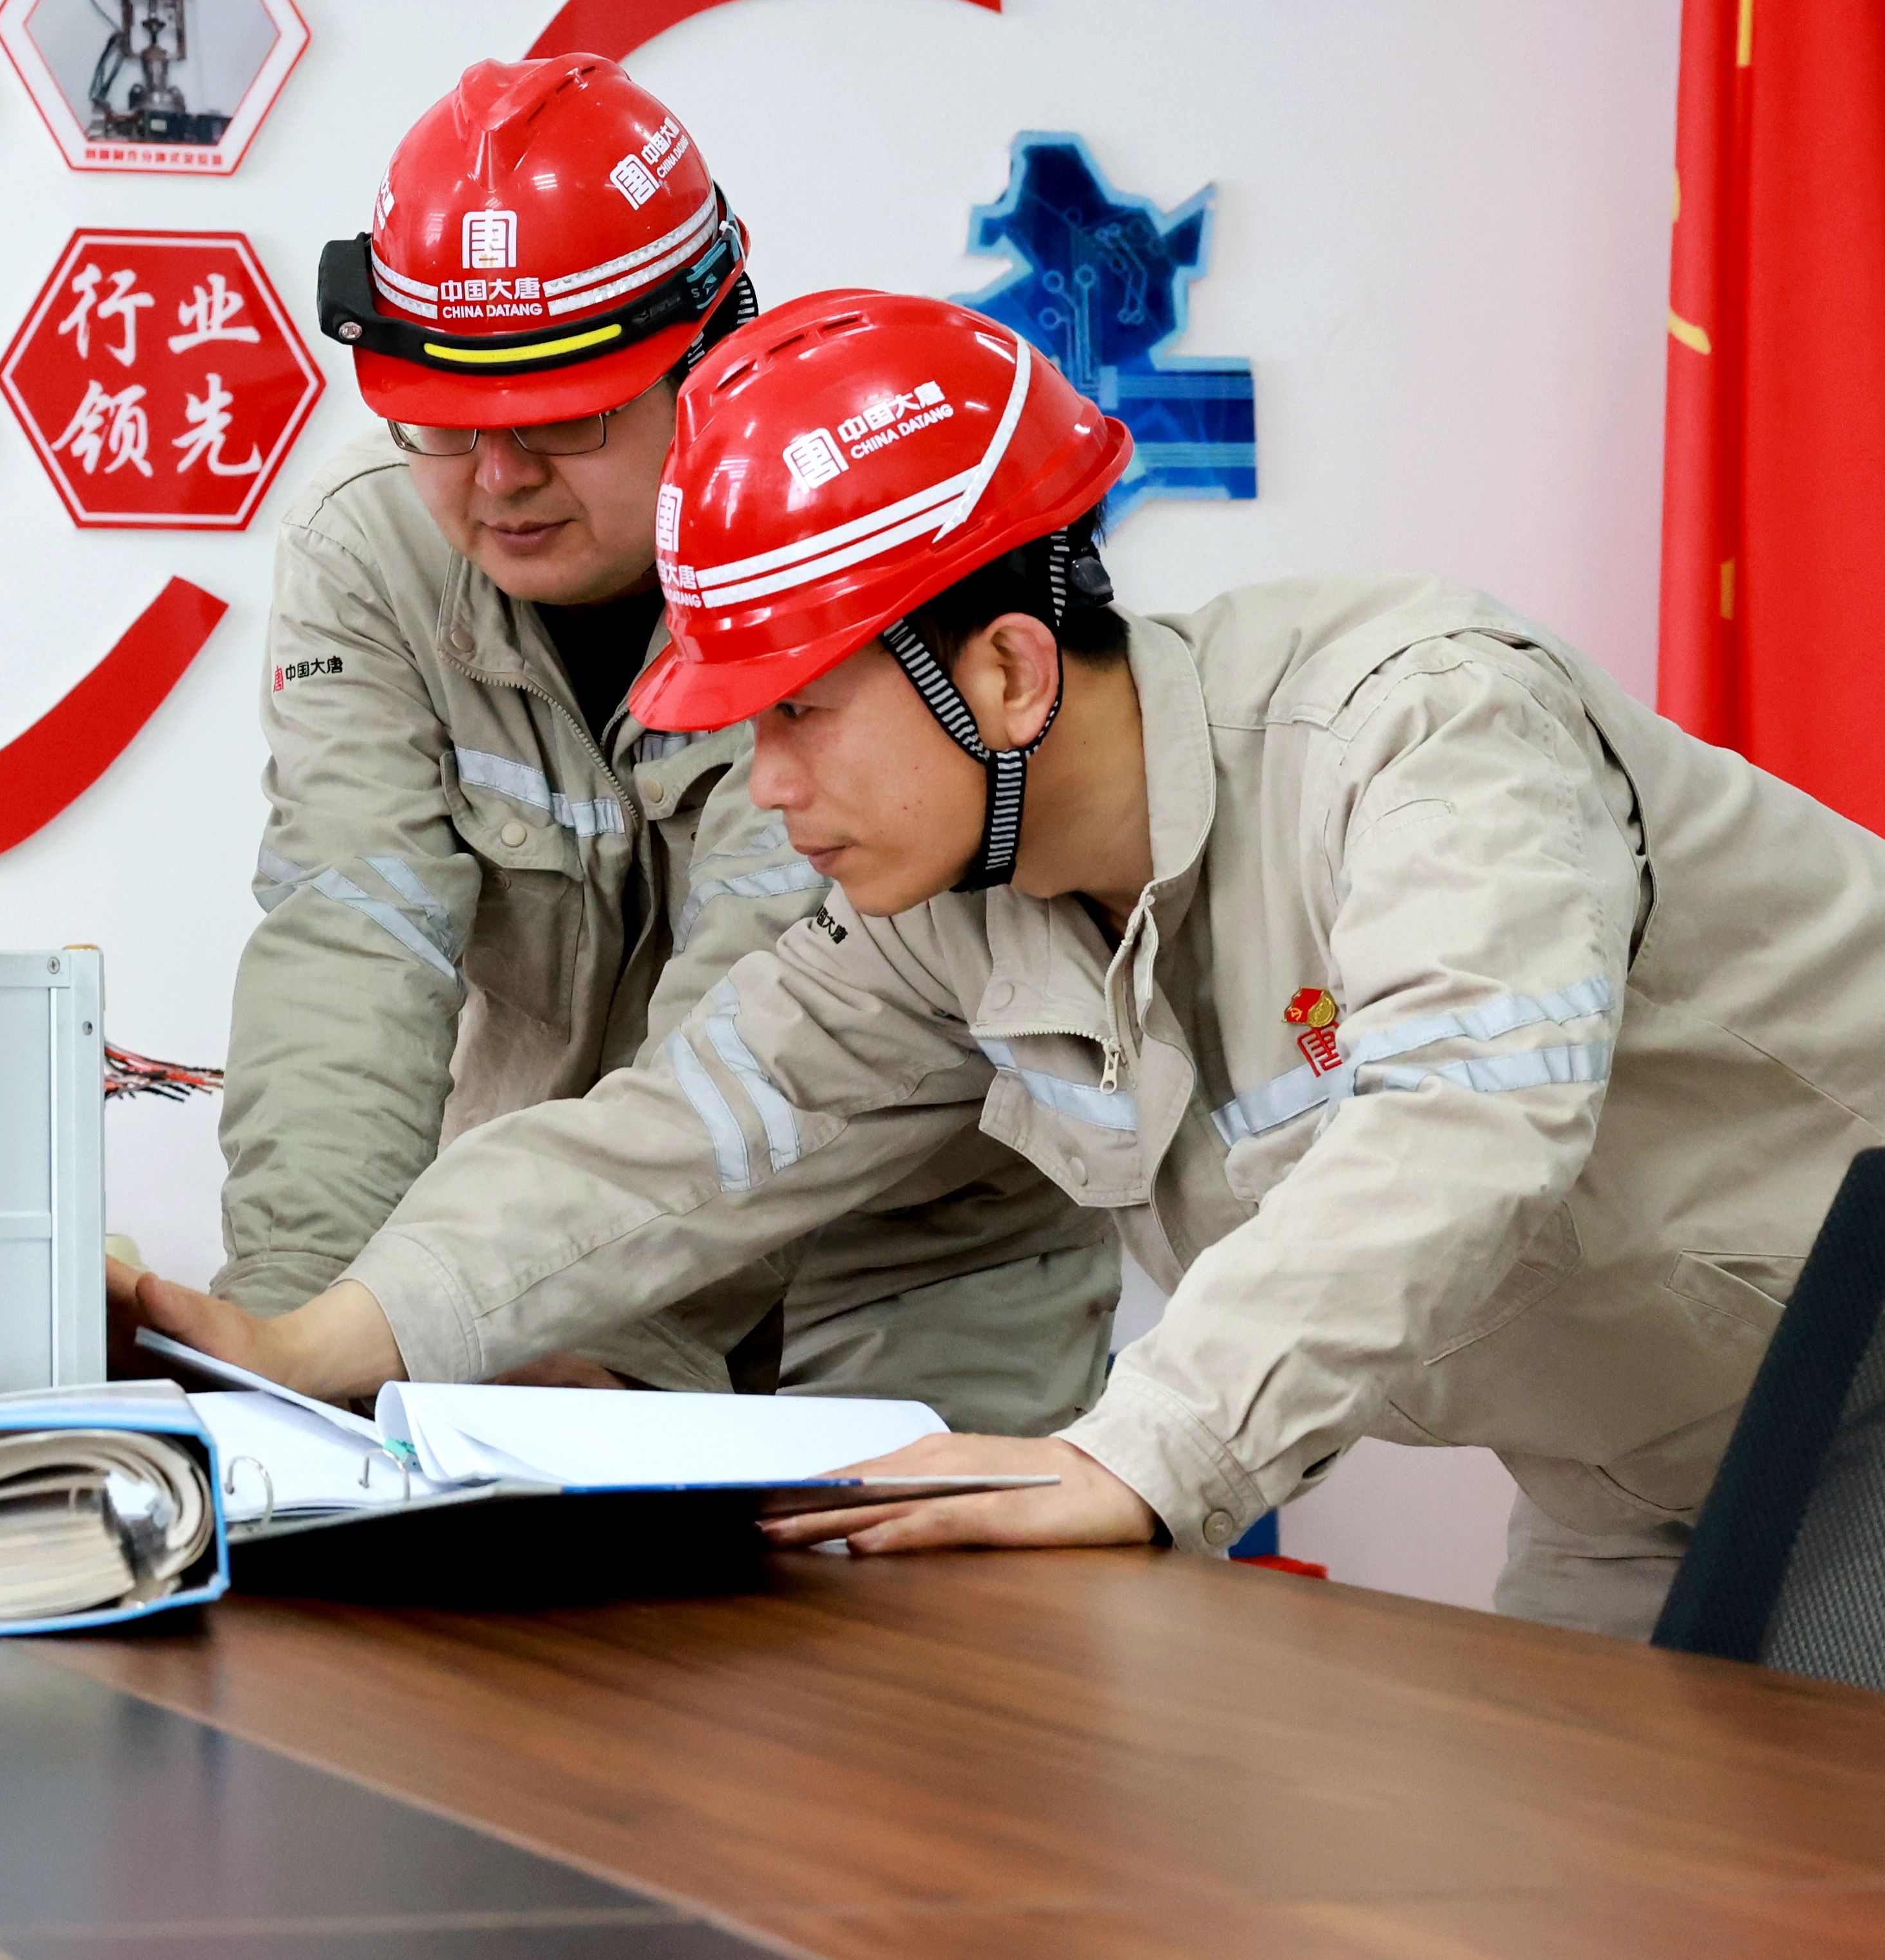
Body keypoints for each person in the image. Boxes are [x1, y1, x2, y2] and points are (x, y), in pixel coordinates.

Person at [124, 286, 1885, 1636]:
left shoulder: (1416, 731)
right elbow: (680, 1140)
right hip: (1631, 1464)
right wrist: (313, 1336)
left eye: (800, 714)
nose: (767, 786)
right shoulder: (952, 906)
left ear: (1009, 672)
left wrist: (1141, 1450)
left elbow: (1461, 1126)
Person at [238, 60, 1108, 1428]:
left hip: (908, 1248)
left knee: (907, 1565)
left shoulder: (835, 515)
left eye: (564, 416)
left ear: (703, 360)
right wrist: (282, 1348)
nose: (499, 478)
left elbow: (768, 990)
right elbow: (352, 946)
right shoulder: (368, 548)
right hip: (547, 1228)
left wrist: (608, 1352)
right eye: (446, 423)